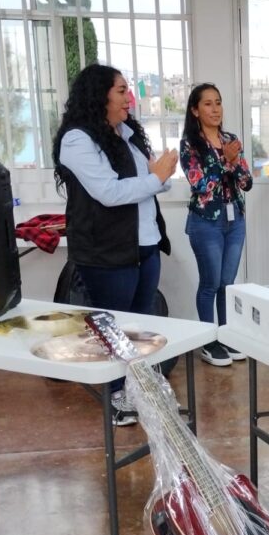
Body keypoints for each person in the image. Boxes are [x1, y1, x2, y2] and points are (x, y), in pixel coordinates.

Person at [53, 63, 178, 427]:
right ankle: (117, 397)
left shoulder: (127, 133)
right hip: (106, 251)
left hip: (146, 243)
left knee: (139, 327)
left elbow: (155, 182)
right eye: (122, 90)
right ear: (100, 95)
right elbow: (108, 193)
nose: (129, 98)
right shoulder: (78, 140)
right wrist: (157, 176)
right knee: (114, 329)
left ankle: (135, 392)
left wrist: (162, 173)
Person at [179, 83, 253, 367]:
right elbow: (200, 184)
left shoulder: (231, 138)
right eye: (208, 104)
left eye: (218, 102)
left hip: (235, 219)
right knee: (210, 284)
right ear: (195, 110)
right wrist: (227, 160)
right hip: (205, 222)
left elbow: (247, 182)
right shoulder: (189, 143)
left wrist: (233, 162)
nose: (215, 109)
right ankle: (207, 340)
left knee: (227, 284)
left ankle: (225, 335)